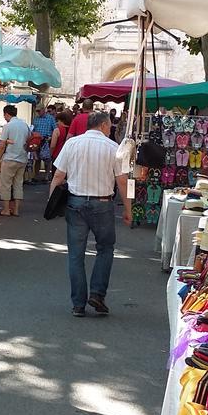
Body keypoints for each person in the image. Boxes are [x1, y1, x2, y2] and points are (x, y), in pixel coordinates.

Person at [50, 112, 132, 318]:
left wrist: (52, 201)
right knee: (105, 249)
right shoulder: (113, 148)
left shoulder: (72, 144)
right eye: (110, 125)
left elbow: (59, 175)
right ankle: (97, 294)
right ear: (104, 125)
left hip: (76, 202)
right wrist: (128, 209)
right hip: (102, 203)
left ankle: (78, 303)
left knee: (75, 254)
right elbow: (122, 181)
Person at [0, 104, 30, 217]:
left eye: (4, 115)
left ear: (6, 114)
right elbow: (28, 140)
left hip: (10, 158)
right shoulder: (25, 125)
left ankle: (6, 209)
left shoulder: (8, 126)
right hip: (23, 158)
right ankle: (16, 210)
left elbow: (1, 145)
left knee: (5, 184)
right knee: (18, 184)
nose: (4, 118)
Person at [32, 105, 57, 183]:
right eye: (37, 111)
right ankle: (36, 175)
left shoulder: (50, 118)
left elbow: (55, 129)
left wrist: (51, 137)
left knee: (47, 159)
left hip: (46, 140)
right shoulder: (35, 119)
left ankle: (46, 176)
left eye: (39, 111)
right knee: (37, 159)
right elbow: (33, 129)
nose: (38, 112)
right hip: (36, 140)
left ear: (43, 110)